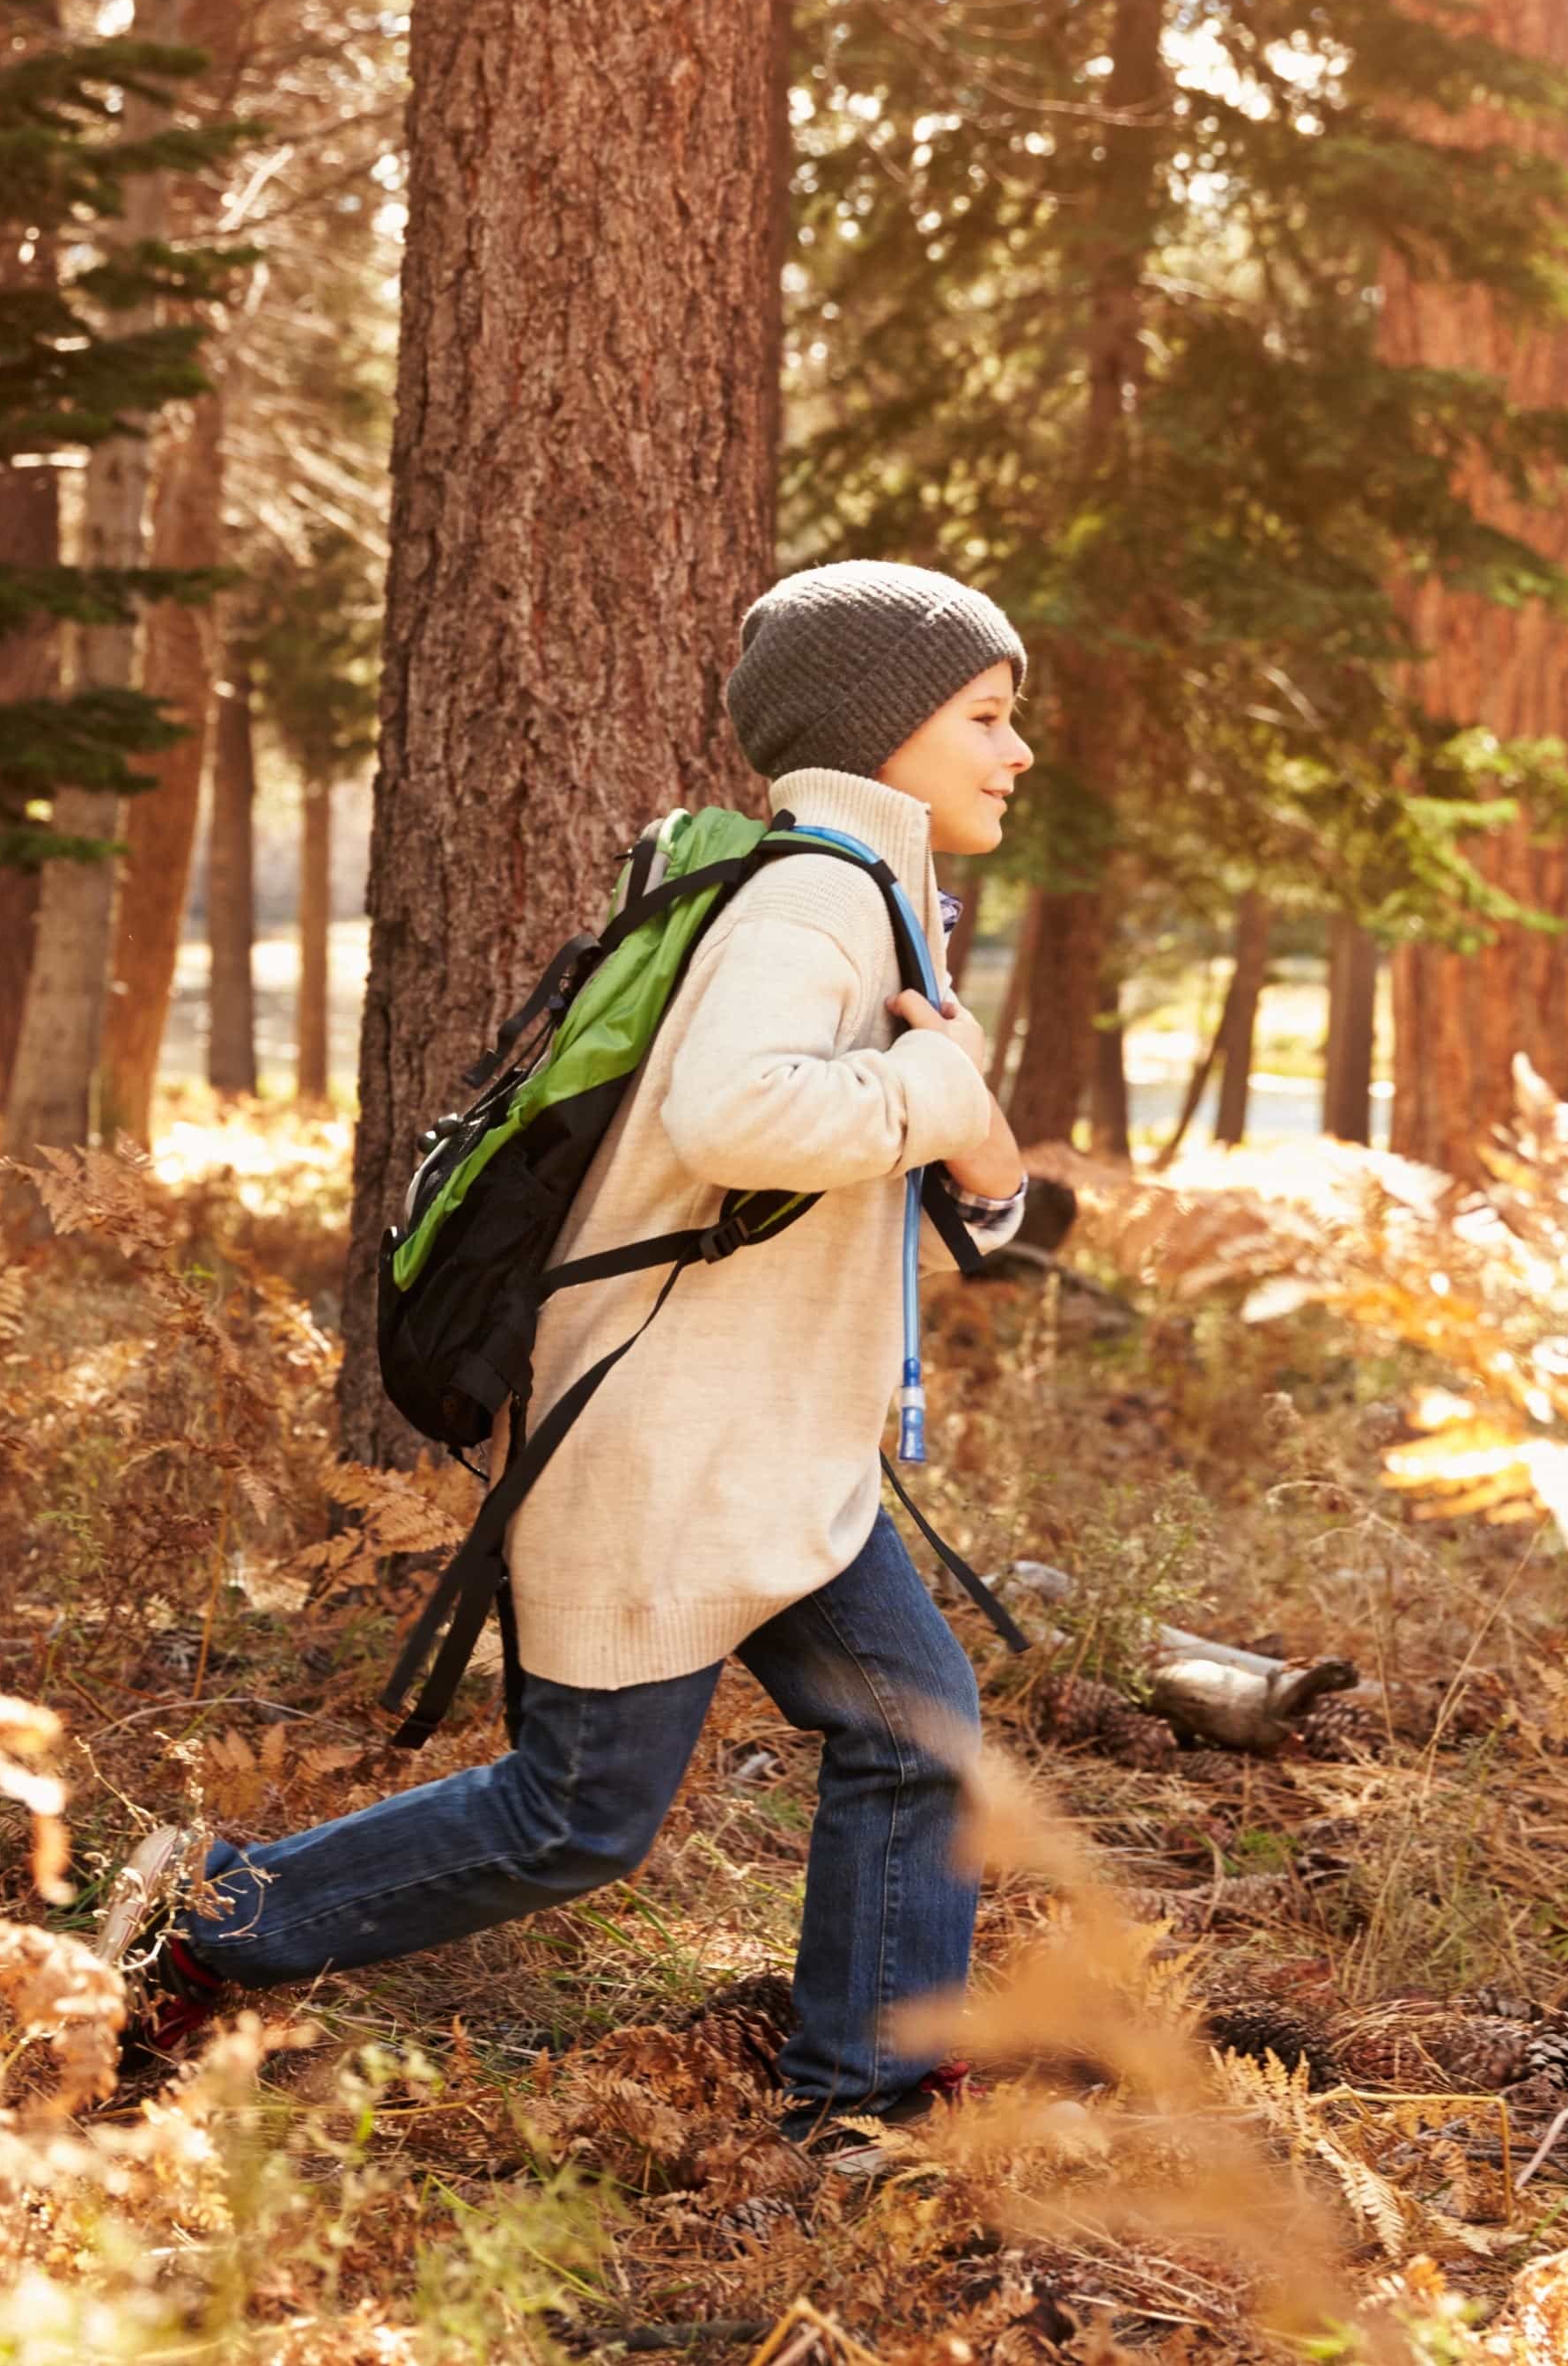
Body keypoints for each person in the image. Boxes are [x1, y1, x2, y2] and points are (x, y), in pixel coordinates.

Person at [117, 560, 1039, 2149]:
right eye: (987, 716)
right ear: (884, 728)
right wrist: (935, 1095)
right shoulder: (813, 893)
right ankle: (210, 1924)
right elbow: (732, 1112)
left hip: (768, 1450)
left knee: (916, 1728)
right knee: (575, 1812)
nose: (1014, 753)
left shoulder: (863, 888)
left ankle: (863, 2101)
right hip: (669, 1445)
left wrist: (963, 1119)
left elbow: (924, 1157)